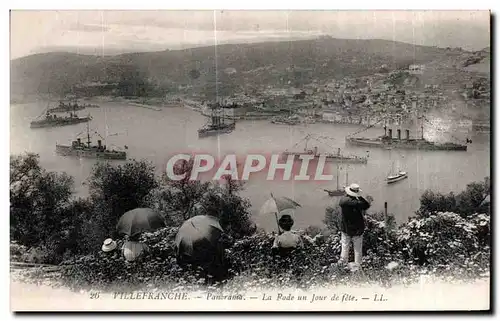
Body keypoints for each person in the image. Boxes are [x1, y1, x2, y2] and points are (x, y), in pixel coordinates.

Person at [338, 183, 372, 268]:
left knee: (345, 249)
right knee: (357, 250)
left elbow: (344, 200)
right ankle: (358, 268)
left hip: (346, 229)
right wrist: (359, 196)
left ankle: (343, 266)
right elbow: (366, 205)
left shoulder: (343, 201)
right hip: (357, 229)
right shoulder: (358, 203)